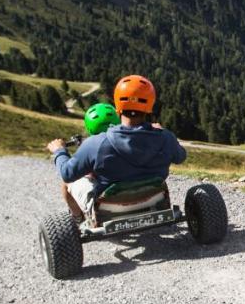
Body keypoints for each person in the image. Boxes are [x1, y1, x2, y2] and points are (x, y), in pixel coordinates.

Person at [47, 75, 187, 221]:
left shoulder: (96, 143)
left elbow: (67, 173)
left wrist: (60, 151)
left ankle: (78, 220)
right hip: (153, 198)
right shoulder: (166, 137)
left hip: (110, 207)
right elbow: (181, 156)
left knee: (67, 183)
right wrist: (162, 133)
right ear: (149, 105)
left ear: (118, 106)